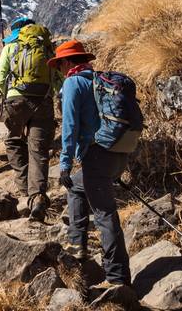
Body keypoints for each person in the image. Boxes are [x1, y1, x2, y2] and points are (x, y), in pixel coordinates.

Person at [55, 39, 132, 296]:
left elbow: (70, 126)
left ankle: (117, 277)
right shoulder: (97, 79)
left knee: (104, 213)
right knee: (77, 188)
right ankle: (77, 246)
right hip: (118, 152)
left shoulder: (73, 83)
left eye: (59, 65)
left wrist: (64, 163)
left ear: (67, 62)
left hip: (97, 156)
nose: (59, 70)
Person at [0, 15, 61, 222]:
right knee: (39, 150)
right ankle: (38, 197)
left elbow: (0, 78)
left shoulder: (10, 48)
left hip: (16, 100)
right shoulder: (48, 48)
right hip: (43, 100)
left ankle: (24, 188)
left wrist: (9, 96)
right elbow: (58, 79)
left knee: (14, 141)